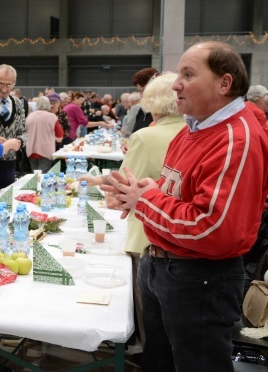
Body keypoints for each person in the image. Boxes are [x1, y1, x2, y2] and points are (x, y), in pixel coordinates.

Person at [102, 42, 268, 372]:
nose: (176, 83)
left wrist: (146, 200)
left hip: (199, 277)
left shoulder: (235, 139)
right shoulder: (193, 129)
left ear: (224, 84)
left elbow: (211, 227)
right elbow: (175, 193)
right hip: (163, 264)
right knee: (161, 360)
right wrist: (139, 193)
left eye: (188, 74)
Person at [78, 72, 185, 347]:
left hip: (148, 233)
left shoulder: (146, 136)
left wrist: (99, 183)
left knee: (152, 327)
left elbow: (126, 182)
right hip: (182, 234)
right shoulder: (191, 133)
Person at [0, 64, 27, 191]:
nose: (4, 89)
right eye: (0, 84)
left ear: (14, 84)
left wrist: (20, 141)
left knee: (6, 203)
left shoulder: (18, 103)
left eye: (8, 85)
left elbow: (23, 131)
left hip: (10, 163)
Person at [25, 96, 63, 172]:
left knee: (35, 176)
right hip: (45, 151)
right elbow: (60, 135)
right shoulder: (52, 117)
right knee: (43, 176)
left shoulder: (29, 116)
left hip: (31, 150)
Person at [130, 67, 159, 134]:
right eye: (139, 91)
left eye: (143, 90)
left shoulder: (162, 113)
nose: (141, 95)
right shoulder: (142, 110)